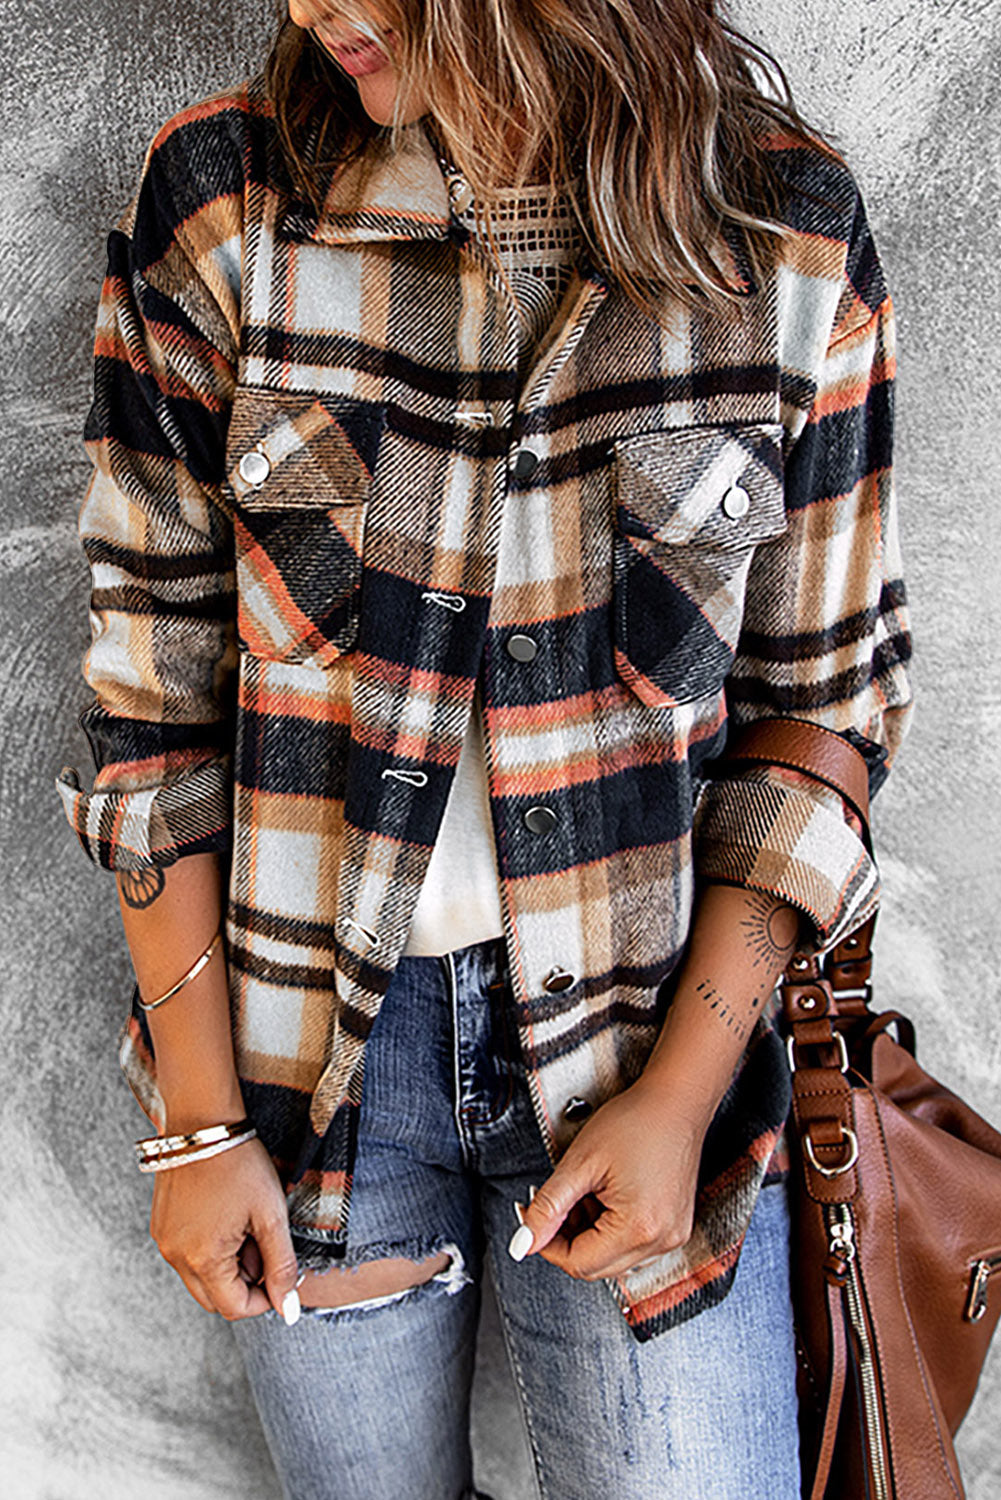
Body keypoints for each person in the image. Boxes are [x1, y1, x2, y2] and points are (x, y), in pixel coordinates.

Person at [56, 2, 913, 1496]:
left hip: (645, 1050)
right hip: (309, 1073)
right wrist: (196, 1128)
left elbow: (817, 715)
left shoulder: (783, 235)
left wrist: (680, 1096)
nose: (317, 8)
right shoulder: (223, 202)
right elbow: (150, 695)